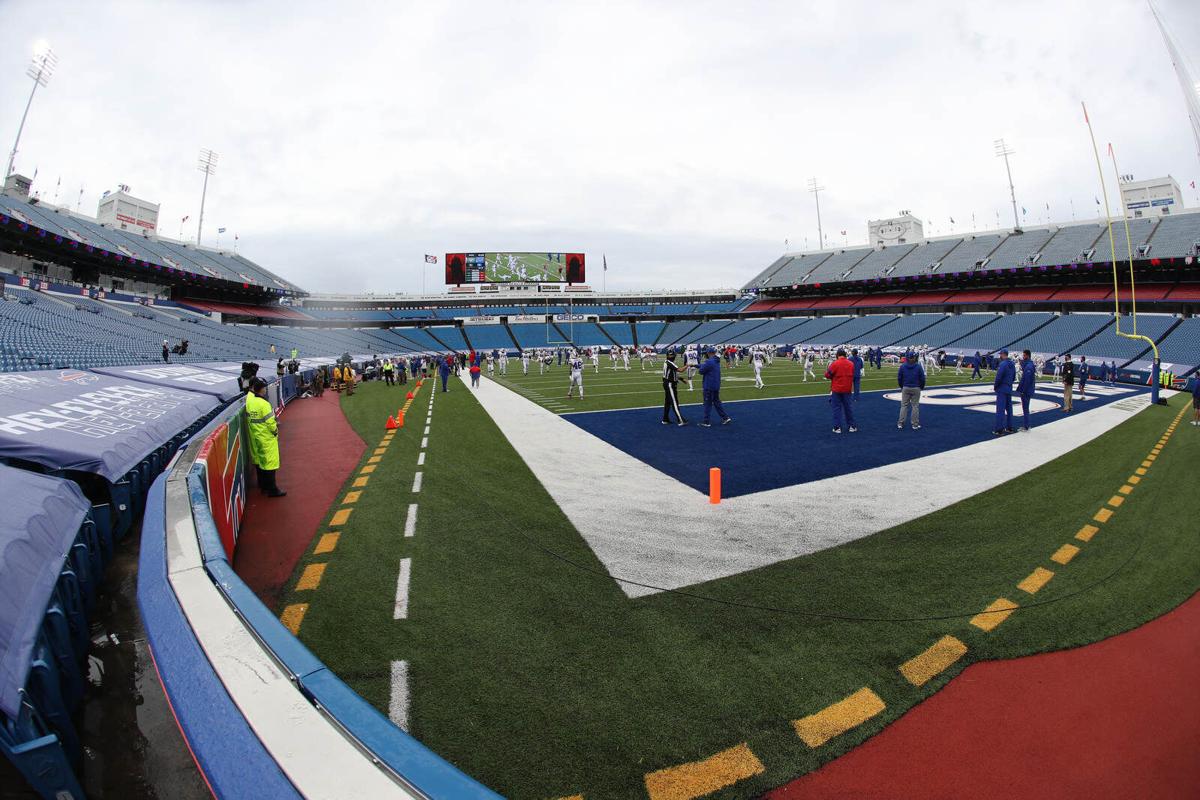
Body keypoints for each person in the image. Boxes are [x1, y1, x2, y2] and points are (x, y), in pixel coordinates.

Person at [245, 377, 285, 497]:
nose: (265, 390)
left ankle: (263, 486)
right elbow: (270, 422)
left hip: (256, 435)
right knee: (271, 464)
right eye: (264, 388)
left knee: (261, 463)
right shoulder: (263, 403)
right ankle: (272, 489)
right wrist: (275, 431)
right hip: (266, 436)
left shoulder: (249, 400)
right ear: (260, 389)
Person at [697, 346, 731, 427]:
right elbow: (705, 365)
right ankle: (725, 417)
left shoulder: (709, 362)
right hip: (716, 385)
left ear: (709, 353)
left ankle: (706, 422)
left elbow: (701, 371)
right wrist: (696, 365)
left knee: (707, 403)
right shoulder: (716, 360)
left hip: (709, 386)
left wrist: (699, 366)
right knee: (716, 402)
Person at [825, 349, 857, 433]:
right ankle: (851, 426)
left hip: (836, 389)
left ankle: (837, 427)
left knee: (837, 409)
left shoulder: (835, 363)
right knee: (848, 408)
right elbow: (853, 374)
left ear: (837, 355)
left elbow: (827, 375)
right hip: (847, 389)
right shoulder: (851, 364)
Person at [896, 351, 925, 430]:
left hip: (906, 387)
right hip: (916, 388)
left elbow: (899, 378)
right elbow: (922, 378)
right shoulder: (918, 366)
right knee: (915, 406)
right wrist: (921, 387)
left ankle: (900, 423)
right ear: (914, 357)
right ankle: (915, 424)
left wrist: (902, 386)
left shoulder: (903, 366)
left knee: (904, 406)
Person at [993, 348, 1015, 435]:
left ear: (1003, 354)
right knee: (1009, 409)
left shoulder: (1003, 364)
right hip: (1009, 388)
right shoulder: (1012, 364)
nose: (1000, 356)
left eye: (1000, 354)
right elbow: (1013, 376)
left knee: (1000, 410)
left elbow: (998, 377)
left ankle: (999, 429)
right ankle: (1010, 427)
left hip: (1002, 388)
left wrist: (996, 386)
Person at [661, 349, 687, 426]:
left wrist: (681, 379)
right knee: (674, 402)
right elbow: (680, 370)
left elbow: (672, 374)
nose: (672, 357)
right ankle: (680, 420)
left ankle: (665, 419)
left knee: (668, 402)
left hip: (667, 383)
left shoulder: (667, 362)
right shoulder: (670, 363)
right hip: (670, 384)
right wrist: (688, 365)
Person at [1017, 349, 1037, 431]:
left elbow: (1027, 380)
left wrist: (1023, 390)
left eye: (1024, 355)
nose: (1023, 357)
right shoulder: (1028, 364)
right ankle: (1026, 425)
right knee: (1025, 408)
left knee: (1025, 408)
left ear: (1027, 356)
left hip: (1026, 391)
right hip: (1027, 390)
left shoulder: (1029, 366)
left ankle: (1026, 426)